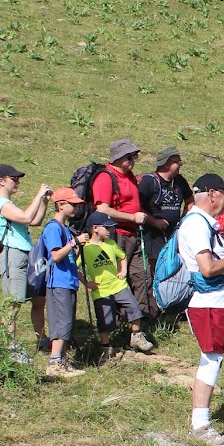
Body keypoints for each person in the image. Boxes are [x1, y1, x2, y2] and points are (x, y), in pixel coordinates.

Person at [178, 174, 224, 446]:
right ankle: (200, 424)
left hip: (218, 301)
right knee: (210, 360)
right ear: (211, 194)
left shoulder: (204, 225)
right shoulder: (197, 225)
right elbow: (207, 268)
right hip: (209, 302)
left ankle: (202, 422)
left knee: (214, 359)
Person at [91, 139, 166, 321]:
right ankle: (116, 323)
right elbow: (102, 210)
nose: (134, 160)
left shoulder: (130, 175)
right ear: (117, 158)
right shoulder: (106, 177)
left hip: (134, 234)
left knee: (142, 275)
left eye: (135, 156)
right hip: (116, 236)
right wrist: (132, 218)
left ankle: (143, 319)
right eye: (129, 157)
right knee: (117, 278)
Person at [0, 163, 50, 362]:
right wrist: (38, 195)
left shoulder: (9, 204)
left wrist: (44, 203)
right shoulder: (0, 204)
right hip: (13, 256)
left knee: (38, 299)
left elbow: (33, 221)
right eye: (14, 179)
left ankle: (41, 340)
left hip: (25, 255)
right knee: (13, 303)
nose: (17, 182)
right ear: (1, 181)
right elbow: (25, 216)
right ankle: (9, 346)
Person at [78, 213, 156, 363]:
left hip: (119, 285)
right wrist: (87, 283)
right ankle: (105, 347)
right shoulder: (85, 249)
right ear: (95, 228)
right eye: (106, 227)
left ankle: (136, 336)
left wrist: (123, 271)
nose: (110, 230)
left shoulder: (111, 243)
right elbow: (75, 267)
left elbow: (122, 256)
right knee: (104, 320)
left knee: (134, 307)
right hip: (101, 291)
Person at [137, 146, 193, 316]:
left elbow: (190, 202)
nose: (180, 164)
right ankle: (155, 305)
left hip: (174, 234)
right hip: (152, 234)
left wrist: (182, 222)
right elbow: (137, 207)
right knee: (155, 268)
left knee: (176, 267)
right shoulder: (149, 181)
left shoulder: (180, 181)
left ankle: (174, 302)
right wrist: (154, 221)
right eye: (177, 161)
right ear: (166, 164)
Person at [41, 187, 90, 378]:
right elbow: (55, 255)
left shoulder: (65, 229)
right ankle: (54, 362)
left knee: (66, 321)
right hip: (58, 282)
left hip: (68, 281)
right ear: (61, 205)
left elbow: (69, 256)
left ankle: (61, 360)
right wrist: (74, 242)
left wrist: (75, 246)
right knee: (62, 321)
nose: (77, 208)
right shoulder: (53, 228)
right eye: (73, 204)